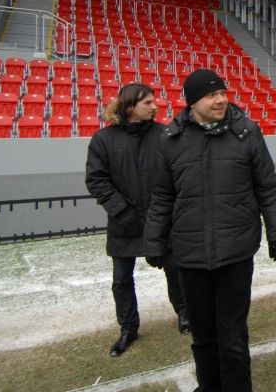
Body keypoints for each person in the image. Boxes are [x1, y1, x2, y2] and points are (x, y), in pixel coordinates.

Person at [144, 69, 276, 392]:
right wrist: (153, 240)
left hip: (235, 252)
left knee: (233, 338)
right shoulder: (170, 140)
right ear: (193, 101)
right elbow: (162, 196)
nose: (221, 99)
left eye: (222, 92)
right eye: (211, 95)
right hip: (190, 254)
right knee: (203, 337)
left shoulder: (247, 132)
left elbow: (267, 187)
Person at [85, 83, 189, 358]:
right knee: (121, 279)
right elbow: (96, 180)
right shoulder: (103, 140)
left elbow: (178, 175)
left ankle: (185, 314)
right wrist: (122, 211)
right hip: (124, 223)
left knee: (175, 269)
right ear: (131, 106)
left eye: (154, 101)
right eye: (149, 102)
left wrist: (167, 211)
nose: (155, 106)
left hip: (161, 220)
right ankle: (128, 328)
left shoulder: (166, 134)